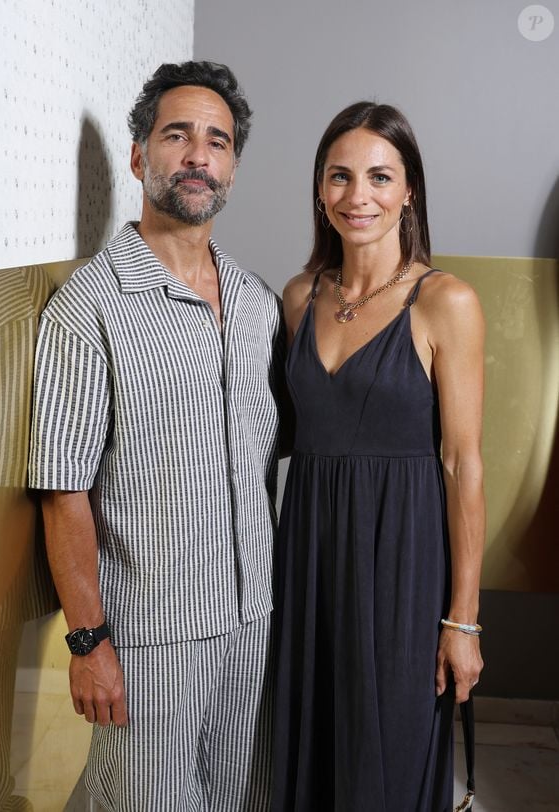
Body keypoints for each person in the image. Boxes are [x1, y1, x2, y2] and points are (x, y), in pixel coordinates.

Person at [28, 61, 284, 811]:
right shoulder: (89, 307)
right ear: (141, 158)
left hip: (254, 623)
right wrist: (88, 643)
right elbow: (62, 492)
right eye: (178, 136)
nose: (199, 156)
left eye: (217, 141)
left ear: (233, 167)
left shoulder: (257, 303)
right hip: (147, 641)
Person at [272, 102, 485, 811]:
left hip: (403, 566)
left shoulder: (445, 301)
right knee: (311, 749)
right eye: (339, 176)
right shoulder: (299, 297)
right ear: (319, 189)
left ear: (409, 190)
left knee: (387, 760)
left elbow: (463, 465)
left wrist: (462, 621)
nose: (357, 195)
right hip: (308, 559)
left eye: (379, 176)